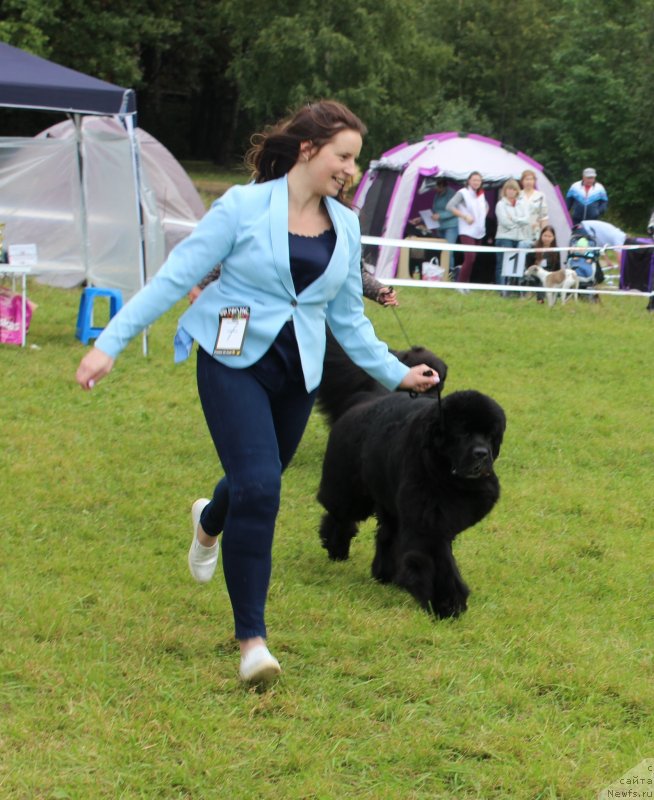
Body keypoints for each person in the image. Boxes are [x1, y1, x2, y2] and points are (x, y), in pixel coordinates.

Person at [75, 100, 437, 686]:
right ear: (307, 149)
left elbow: (347, 318)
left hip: (298, 372)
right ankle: (252, 642)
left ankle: (209, 519)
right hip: (231, 359)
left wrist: (398, 373)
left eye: (355, 161)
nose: (350, 169)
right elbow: (175, 276)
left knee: (252, 478)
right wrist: (108, 344)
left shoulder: (344, 225)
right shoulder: (243, 207)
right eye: (343, 156)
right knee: (262, 486)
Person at [189, 259, 398, 307]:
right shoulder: (252, 206)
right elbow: (228, 256)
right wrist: (201, 286)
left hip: (301, 335)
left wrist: (377, 290)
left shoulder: (342, 219)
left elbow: (353, 271)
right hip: (242, 319)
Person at [446, 171, 489, 284]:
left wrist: (482, 215)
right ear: (469, 181)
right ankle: (461, 283)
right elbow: (450, 206)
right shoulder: (463, 193)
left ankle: (464, 279)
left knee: (472, 259)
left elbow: (486, 206)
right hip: (466, 230)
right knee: (470, 257)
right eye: (474, 180)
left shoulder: (480, 194)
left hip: (479, 230)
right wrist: (464, 216)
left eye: (478, 180)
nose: (476, 182)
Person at [494, 178, 531, 286]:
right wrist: (520, 221)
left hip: (519, 239)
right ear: (505, 191)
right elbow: (505, 222)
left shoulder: (522, 204)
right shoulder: (500, 204)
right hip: (504, 238)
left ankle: (512, 288)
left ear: (517, 191)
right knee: (502, 265)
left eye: (513, 189)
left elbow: (527, 220)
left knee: (515, 265)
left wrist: (514, 219)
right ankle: (502, 289)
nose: (511, 191)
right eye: (509, 189)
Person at [519, 169, 549, 242]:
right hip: (520, 230)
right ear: (522, 181)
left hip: (535, 230)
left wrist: (544, 232)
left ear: (534, 181)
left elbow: (544, 216)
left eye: (531, 179)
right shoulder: (518, 195)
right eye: (526, 179)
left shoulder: (540, 195)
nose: (529, 182)